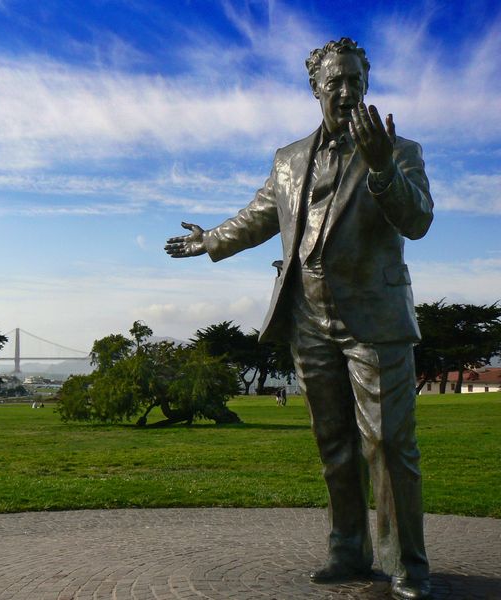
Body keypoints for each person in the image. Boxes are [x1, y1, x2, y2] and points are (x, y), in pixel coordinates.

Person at [165, 38, 432, 600]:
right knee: (332, 443)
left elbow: (418, 220)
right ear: (316, 88)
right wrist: (211, 239)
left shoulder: (400, 149)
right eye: (334, 81)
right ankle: (348, 550)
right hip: (307, 317)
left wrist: (382, 168)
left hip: (375, 320)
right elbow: (262, 214)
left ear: (366, 85)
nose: (346, 90)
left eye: (355, 80)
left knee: (387, 444)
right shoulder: (288, 159)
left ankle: (407, 564)